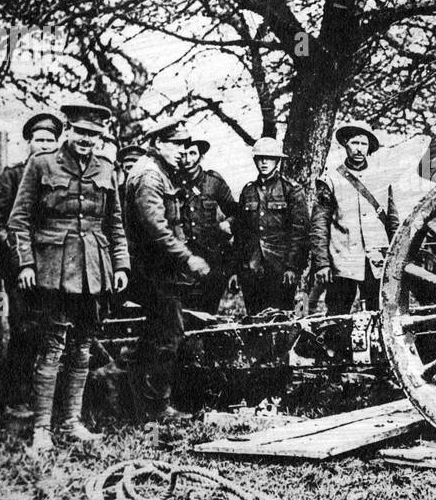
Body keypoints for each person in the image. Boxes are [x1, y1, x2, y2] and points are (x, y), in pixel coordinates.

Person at [8, 101, 129, 453]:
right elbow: (19, 220)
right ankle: (41, 428)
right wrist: (26, 264)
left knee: (83, 346)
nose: (87, 140)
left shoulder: (107, 169)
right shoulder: (42, 164)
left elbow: (115, 223)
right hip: (53, 269)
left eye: (94, 135)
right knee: (51, 346)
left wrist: (121, 265)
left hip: (94, 269)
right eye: (81, 133)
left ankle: (71, 421)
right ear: (69, 130)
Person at [122, 119, 210, 418]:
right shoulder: (149, 176)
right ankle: (155, 406)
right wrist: (188, 258)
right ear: (158, 143)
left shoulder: (158, 172)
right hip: (152, 270)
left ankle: (140, 402)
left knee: (156, 334)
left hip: (157, 270)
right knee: (168, 334)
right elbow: (155, 228)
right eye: (176, 144)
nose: (182, 151)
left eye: (186, 145)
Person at [0, 111, 62, 417]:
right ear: (28, 142)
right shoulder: (12, 174)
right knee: (23, 329)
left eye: (50, 140)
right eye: (39, 140)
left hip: (53, 263)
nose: (44, 145)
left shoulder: (60, 174)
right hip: (20, 267)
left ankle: (44, 397)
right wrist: (20, 257)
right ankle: (13, 398)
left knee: (50, 329)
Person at [311, 120, 397, 315]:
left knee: (380, 313)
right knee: (338, 314)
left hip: (376, 260)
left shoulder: (382, 178)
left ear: (369, 148)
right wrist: (322, 263)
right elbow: (319, 225)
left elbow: (393, 222)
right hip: (343, 260)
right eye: (354, 143)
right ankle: (337, 346)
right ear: (345, 145)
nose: (359, 149)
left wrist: (396, 257)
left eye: (363, 144)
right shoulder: (330, 179)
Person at [235, 137, 310, 316]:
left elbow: (300, 233)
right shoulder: (248, 191)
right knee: (254, 321)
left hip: (280, 270)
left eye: (269, 158)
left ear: (277, 161)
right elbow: (240, 234)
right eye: (260, 158)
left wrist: (292, 267)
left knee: (280, 321)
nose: (264, 162)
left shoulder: (291, 190)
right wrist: (237, 270)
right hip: (252, 270)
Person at [176, 136, 240, 313]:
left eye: (192, 153)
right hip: (183, 259)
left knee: (207, 312)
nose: (188, 159)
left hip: (211, 259)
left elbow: (236, 213)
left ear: (200, 156)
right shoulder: (172, 182)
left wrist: (227, 224)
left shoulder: (213, 182)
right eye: (184, 154)